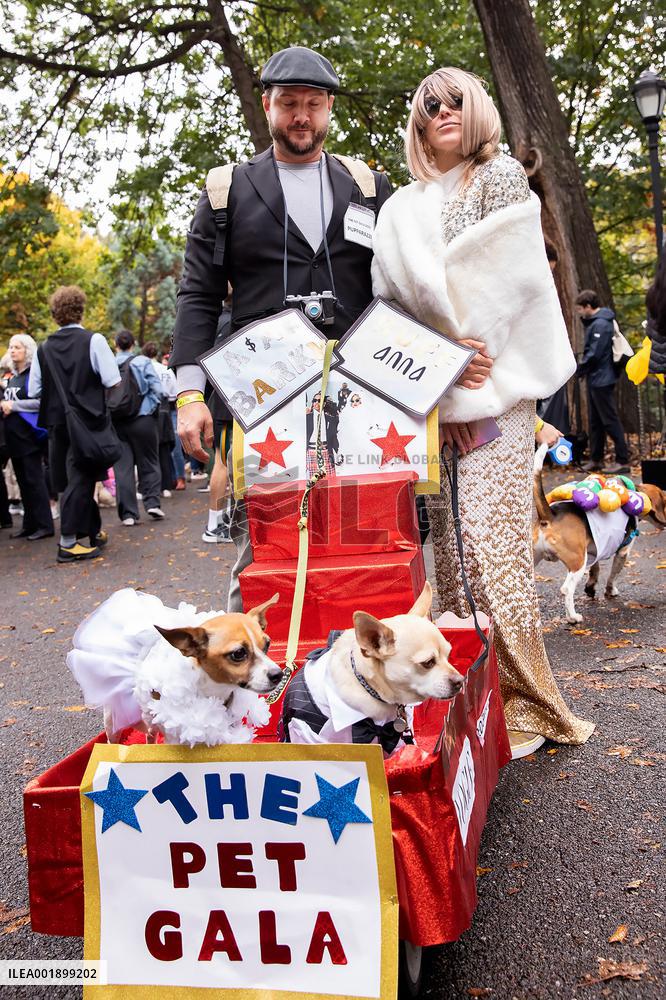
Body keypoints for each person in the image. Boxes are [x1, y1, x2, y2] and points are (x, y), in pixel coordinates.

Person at [372, 67, 594, 756]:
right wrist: (438, 371)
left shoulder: (498, 176)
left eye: (455, 100)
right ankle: (472, 700)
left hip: (496, 391)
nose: (443, 111)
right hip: (432, 397)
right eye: (429, 104)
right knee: (452, 558)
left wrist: (464, 379)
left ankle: (527, 705)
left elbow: (507, 288)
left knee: (492, 552)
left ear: (477, 110)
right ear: (417, 122)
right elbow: (388, 304)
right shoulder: (400, 207)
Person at [171, 46, 391, 608]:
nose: (301, 116)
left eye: (313, 104)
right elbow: (197, 295)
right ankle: (250, 656)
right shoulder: (226, 191)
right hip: (261, 394)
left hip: (358, 395)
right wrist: (189, 394)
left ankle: (355, 653)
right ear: (267, 105)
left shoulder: (367, 186)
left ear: (329, 109)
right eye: (288, 103)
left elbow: (400, 286)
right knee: (263, 547)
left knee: (362, 543)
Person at [29, 286, 121, 562]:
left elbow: (34, 390)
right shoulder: (94, 340)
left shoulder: (44, 348)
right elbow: (112, 380)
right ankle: (68, 542)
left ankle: (92, 531)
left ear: (54, 314)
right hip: (88, 422)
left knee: (74, 479)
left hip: (57, 424)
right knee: (81, 479)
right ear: (81, 310)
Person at [1, 334, 53, 540]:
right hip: (13, 438)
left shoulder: (33, 375)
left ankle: (45, 525)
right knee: (23, 483)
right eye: (11, 347)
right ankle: (29, 524)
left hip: (29, 437)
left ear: (27, 350)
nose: (13, 351)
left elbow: (41, 402)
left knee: (35, 481)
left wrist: (14, 405)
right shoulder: (13, 377)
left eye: (17, 347)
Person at [111, 331, 164, 525]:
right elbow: (158, 390)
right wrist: (151, 406)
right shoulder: (142, 361)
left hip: (117, 420)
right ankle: (152, 503)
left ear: (116, 344)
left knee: (122, 468)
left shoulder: (109, 363)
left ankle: (128, 514)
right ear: (133, 343)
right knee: (149, 461)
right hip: (143, 418)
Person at [575, 289, 630, 474]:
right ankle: (596, 459)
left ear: (588, 306)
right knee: (596, 422)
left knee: (609, 420)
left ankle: (622, 460)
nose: (579, 312)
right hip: (597, 378)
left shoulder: (600, 324)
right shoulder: (598, 322)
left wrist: (579, 369)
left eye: (580, 309)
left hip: (602, 379)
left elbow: (595, 353)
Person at [202, 304, 234, 543]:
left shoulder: (219, 319)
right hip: (226, 407)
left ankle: (222, 519)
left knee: (228, 463)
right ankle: (214, 525)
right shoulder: (227, 320)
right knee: (223, 463)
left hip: (227, 404)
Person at [142, 342, 177, 497]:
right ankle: (166, 486)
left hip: (146, 412)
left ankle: (147, 487)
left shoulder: (141, 369)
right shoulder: (165, 370)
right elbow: (174, 393)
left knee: (147, 452)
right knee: (164, 450)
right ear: (156, 354)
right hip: (164, 410)